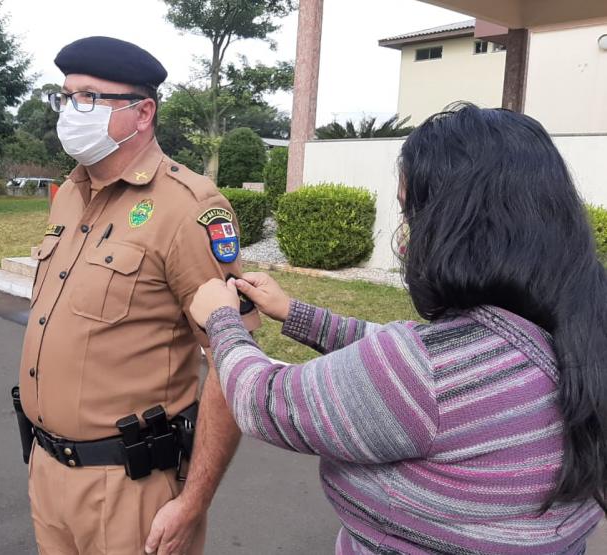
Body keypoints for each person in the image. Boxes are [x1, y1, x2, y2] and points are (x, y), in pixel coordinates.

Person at [189, 104, 607, 553]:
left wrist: (222, 320)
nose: (408, 235)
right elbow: (412, 366)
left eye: (412, 215)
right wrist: (295, 313)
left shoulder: (425, 373)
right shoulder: (573, 334)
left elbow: (265, 400)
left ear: (457, 225)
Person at [15, 36, 260, 555]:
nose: (69, 111)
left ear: (142, 111)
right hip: (47, 470)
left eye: (87, 98)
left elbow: (231, 363)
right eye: (65, 97)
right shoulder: (71, 195)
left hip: (129, 490)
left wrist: (193, 500)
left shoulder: (187, 207)